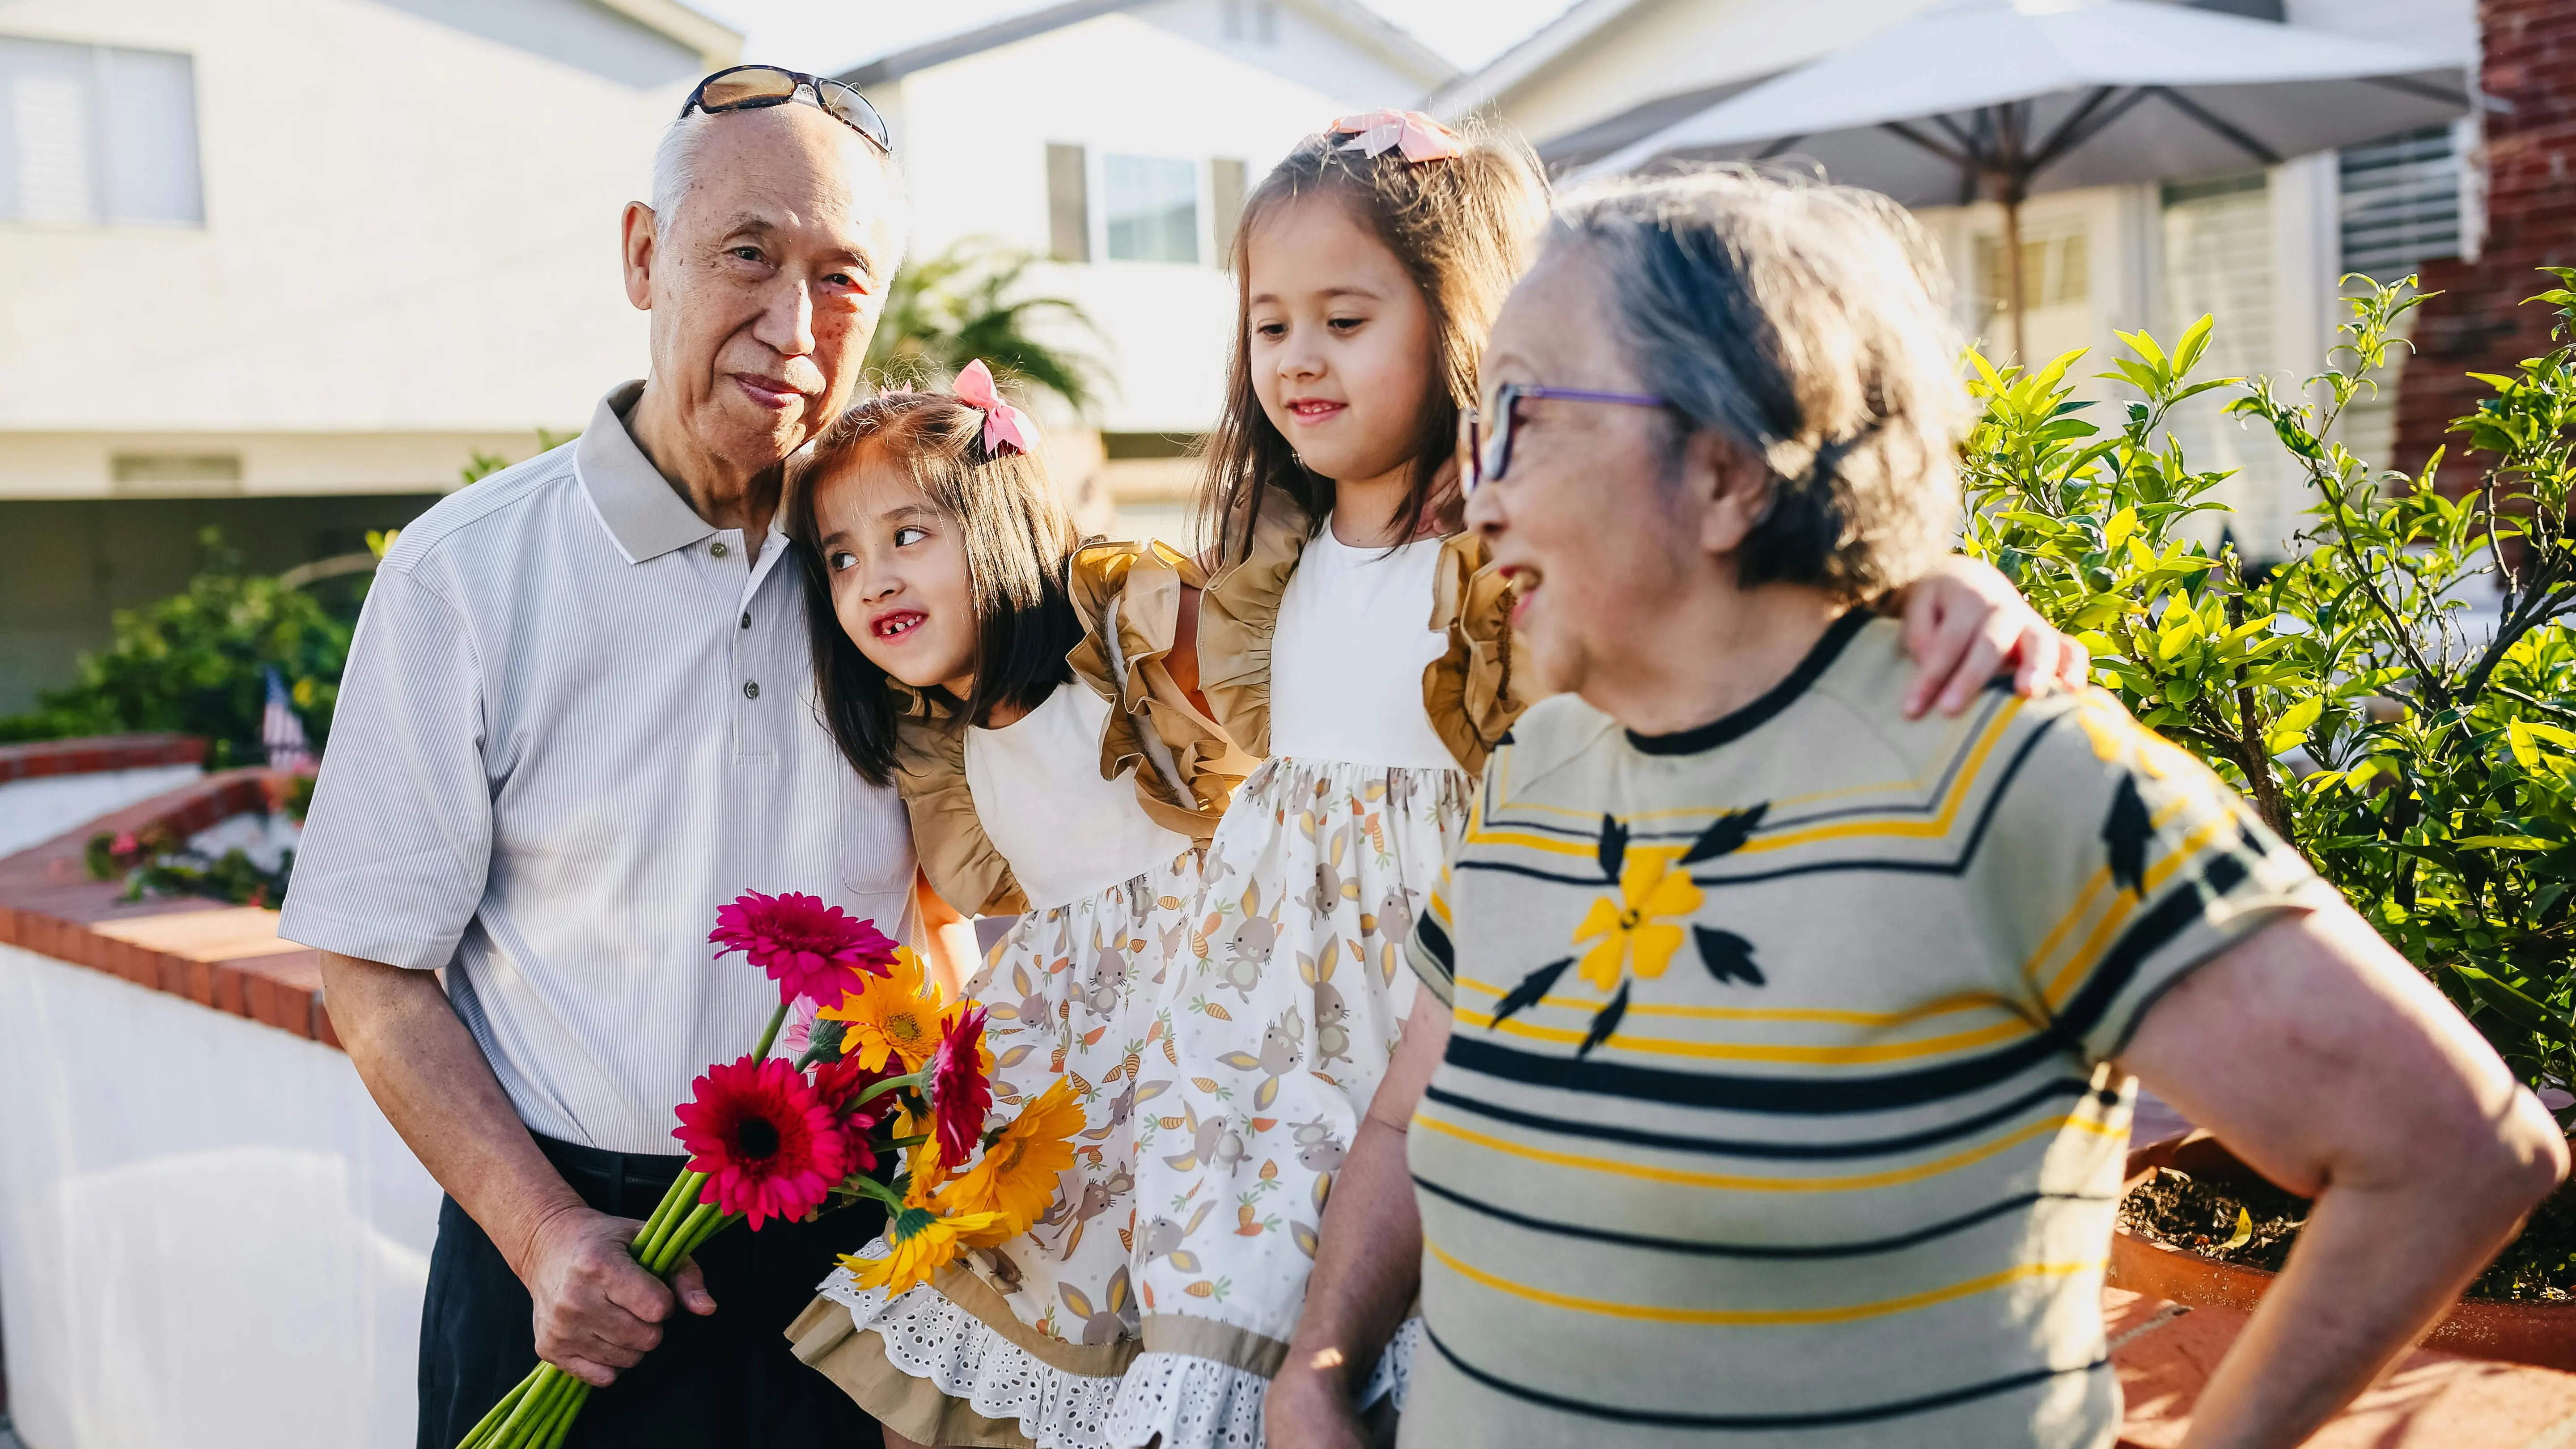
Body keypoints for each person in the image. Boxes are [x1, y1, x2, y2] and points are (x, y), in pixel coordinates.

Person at [1269, 168, 2572, 1449]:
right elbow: (1405, 1118)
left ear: (1728, 467)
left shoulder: (2006, 773)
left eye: (1521, 419)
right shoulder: (1537, 771)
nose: (1474, 491)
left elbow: (2449, 1150)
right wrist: (1318, 1374)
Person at [1133, 115, 2091, 1449]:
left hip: (1449, 984)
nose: (1298, 357)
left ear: (1461, 322)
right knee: (1249, 1345)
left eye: (1346, 318)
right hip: (1269, 1033)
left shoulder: (1513, 547)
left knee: (1441, 1332)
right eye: (1271, 323)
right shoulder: (1266, 563)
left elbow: (1753, 603)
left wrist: (1947, 581)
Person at [282, 67, 972, 1448]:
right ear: (644, 257)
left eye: (843, 278)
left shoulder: (913, 570)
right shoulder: (465, 575)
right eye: (748, 255)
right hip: (565, 1265)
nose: (793, 325)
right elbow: (368, 961)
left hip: (856, 1263)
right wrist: (545, 1239)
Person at [771, 372, 1253, 1449]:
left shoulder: (1121, 647)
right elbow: (970, 896)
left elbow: (1258, 727)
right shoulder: (946, 744)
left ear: (997, 521)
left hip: (1202, 1060)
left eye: (909, 535)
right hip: (1054, 1089)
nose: (871, 579)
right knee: (950, 1388)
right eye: (841, 559)